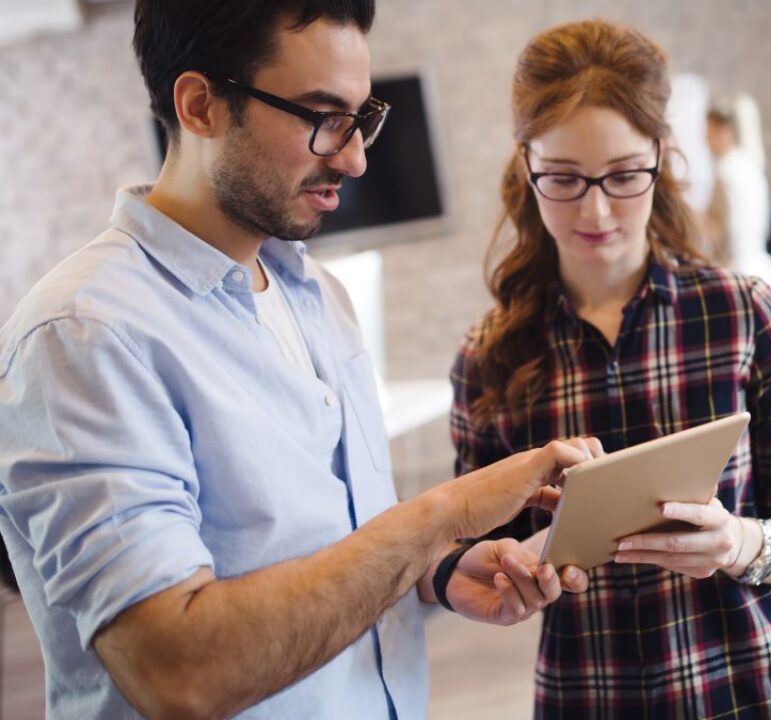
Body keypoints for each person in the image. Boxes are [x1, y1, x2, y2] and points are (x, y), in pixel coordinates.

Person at [0, 2, 596, 718]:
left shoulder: (317, 293)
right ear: (200, 105)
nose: (355, 157)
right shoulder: (87, 336)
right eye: (321, 117)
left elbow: (335, 540)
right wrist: (445, 513)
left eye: (359, 118)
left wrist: (435, 572)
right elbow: (178, 673)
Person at [450, 19, 771, 718]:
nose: (596, 210)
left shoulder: (740, 313)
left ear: (660, 158)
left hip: (760, 691)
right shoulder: (490, 358)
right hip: (593, 698)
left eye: (625, 175)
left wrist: (739, 541)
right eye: (564, 179)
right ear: (525, 165)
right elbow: (471, 558)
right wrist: (505, 576)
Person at [703, 96, 771, 296]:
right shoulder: (748, 166)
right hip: (761, 271)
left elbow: (720, 230)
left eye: (709, 132)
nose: (706, 141)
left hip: (740, 276)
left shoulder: (726, 173)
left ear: (725, 131)